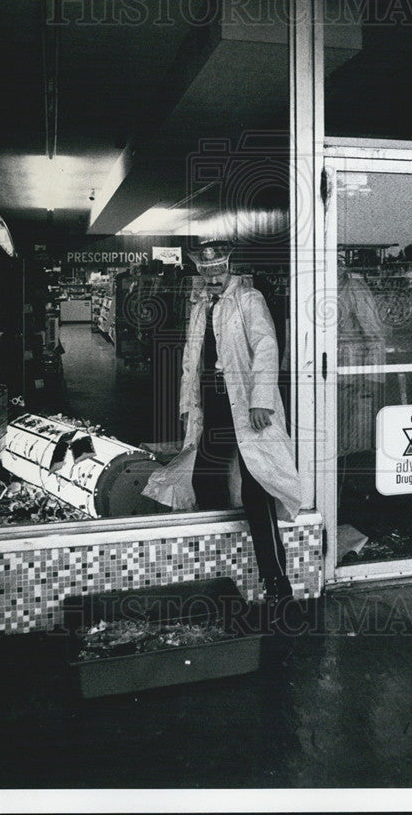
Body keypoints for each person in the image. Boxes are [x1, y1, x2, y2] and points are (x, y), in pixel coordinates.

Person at [143, 240, 302, 613]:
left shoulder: (249, 299)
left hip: (246, 405)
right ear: (199, 271)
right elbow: (191, 362)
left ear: (228, 268)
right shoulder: (200, 306)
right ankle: (214, 576)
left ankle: (277, 582)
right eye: (206, 271)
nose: (212, 277)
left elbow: (266, 346)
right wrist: (187, 406)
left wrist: (261, 400)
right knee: (204, 479)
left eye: (218, 271)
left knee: (257, 487)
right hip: (213, 403)